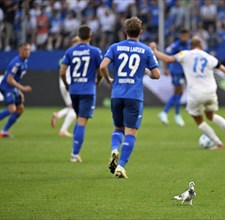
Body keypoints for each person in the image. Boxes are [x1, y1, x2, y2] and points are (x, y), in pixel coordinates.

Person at [150, 37, 225, 150]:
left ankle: (218, 143)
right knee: (211, 116)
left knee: (198, 119)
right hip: (211, 92)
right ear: (201, 46)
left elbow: (167, 59)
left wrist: (155, 51)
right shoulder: (209, 57)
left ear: (191, 46)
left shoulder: (185, 54)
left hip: (196, 93)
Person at [100, 16, 160, 178]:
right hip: (134, 96)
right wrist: (146, 71)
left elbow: (103, 66)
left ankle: (114, 149)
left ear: (125, 31)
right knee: (131, 132)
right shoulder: (146, 50)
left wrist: (109, 80)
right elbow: (157, 75)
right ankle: (120, 166)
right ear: (141, 32)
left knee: (118, 128)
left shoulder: (115, 47)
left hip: (117, 94)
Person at [60, 25, 103, 163]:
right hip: (88, 90)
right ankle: (75, 153)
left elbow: (62, 72)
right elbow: (101, 70)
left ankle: (74, 149)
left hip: (74, 90)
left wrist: (67, 84)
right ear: (90, 36)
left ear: (79, 36)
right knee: (82, 122)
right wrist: (98, 81)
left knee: (79, 120)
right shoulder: (95, 51)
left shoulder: (70, 51)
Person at [0, 43, 32, 137]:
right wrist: (23, 88)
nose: (27, 52)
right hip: (6, 87)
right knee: (12, 109)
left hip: (13, 87)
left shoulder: (25, 62)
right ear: (20, 51)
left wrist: (19, 91)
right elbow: (9, 79)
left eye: (29, 50)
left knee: (20, 108)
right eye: (25, 50)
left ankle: (4, 131)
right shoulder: (16, 63)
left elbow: (17, 78)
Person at [158, 29, 190, 127]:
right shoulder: (176, 45)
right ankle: (174, 114)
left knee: (179, 93)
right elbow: (166, 55)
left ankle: (166, 113)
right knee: (178, 91)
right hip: (176, 70)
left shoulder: (189, 45)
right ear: (180, 36)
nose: (185, 37)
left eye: (186, 36)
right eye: (183, 35)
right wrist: (165, 68)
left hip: (184, 71)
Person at [51, 36, 80, 137]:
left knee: (71, 106)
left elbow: (60, 65)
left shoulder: (67, 53)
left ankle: (58, 115)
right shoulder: (76, 54)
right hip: (69, 84)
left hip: (62, 84)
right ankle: (63, 130)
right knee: (74, 108)